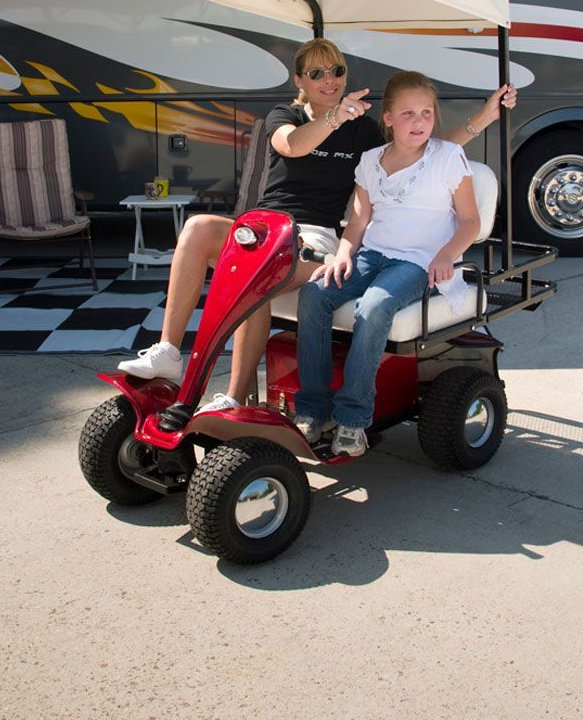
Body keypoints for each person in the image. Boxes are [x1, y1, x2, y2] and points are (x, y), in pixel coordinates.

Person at [118, 39, 515, 430]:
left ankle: (236, 398)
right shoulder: (285, 115)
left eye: (337, 71)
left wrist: (485, 116)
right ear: (300, 81)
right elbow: (290, 146)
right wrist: (333, 118)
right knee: (198, 227)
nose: (330, 79)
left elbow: (426, 148)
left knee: (259, 276)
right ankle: (169, 351)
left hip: (314, 236)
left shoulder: (360, 130)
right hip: (264, 228)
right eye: (317, 73)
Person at [294, 70, 481, 458]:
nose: (419, 122)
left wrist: (447, 254)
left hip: (419, 262)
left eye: (426, 113)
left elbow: (470, 221)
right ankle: (312, 410)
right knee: (314, 293)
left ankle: (352, 419)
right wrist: (343, 253)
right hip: (372, 255)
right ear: (389, 118)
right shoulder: (369, 161)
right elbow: (359, 220)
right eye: (408, 113)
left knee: (375, 305)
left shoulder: (448, 156)